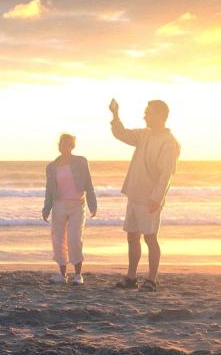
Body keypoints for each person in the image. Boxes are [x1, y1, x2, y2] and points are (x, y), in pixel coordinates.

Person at [109, 98, 181, 291]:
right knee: (132, 236)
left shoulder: (169, 143)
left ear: (160, 115)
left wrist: (156, 199)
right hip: (134, 194)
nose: (144, 116)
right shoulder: (144, 135)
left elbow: (167, 174)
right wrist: (115, 115)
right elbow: (121, 134)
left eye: (148, 112)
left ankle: (152, 279)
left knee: (150, 238)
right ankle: (131, 278)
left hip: (150, 199)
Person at [42, 133, 98, 284]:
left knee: (74, 239)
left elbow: (89, 184)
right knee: (58, 239)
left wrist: (93, 204)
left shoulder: (81, 162)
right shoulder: (51, 166)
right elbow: (49, 190)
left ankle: (78, 275)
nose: (63, 146)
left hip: (77, 205)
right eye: (61, 143)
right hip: (59, 205)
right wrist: (46, 209)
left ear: (72, 146)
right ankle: (62, 275)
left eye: (67, 144)